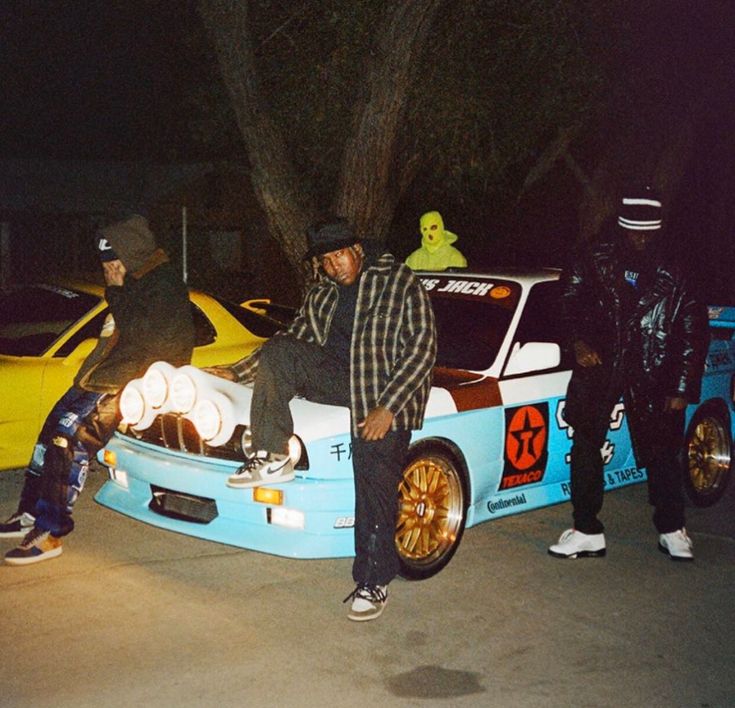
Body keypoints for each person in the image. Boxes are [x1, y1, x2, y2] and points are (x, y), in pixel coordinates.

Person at [211, 219, 436, 621]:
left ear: (357, 249)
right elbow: (294, 339)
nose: (335, 266)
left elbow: (422, 347)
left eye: (340, 255)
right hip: (337, 379)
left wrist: (389, 407)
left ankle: (374, 580)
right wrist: (237, 371)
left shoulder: (397, 279)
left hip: (381, 392)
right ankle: (272, 453)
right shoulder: (323, 293)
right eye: (326, 260)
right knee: (281, 351)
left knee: (374, 482)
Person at [0, 213, 195, 565]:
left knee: (69, 437)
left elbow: (147, 338)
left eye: (112, 261)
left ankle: (51, 532)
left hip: (137, 380)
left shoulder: (163, 285)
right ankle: (30, 511)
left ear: (129, 255)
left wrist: (118, 291)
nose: (108, 269)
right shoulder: (135, 281)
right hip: (104, 375)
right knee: (49, 434)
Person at [548, 187, 709, 562]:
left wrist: (682, 385)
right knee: (586, 447)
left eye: (647, 232)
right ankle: (586, 531)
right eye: (633, 231)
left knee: (662, 452)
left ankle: (672, 528)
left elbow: (692, 327)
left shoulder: (676, 266)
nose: (639, 238)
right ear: (621, 228)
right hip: (600, 366)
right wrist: (577, 343)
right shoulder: (593, 255)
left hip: (655, 369)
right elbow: (566, 301)